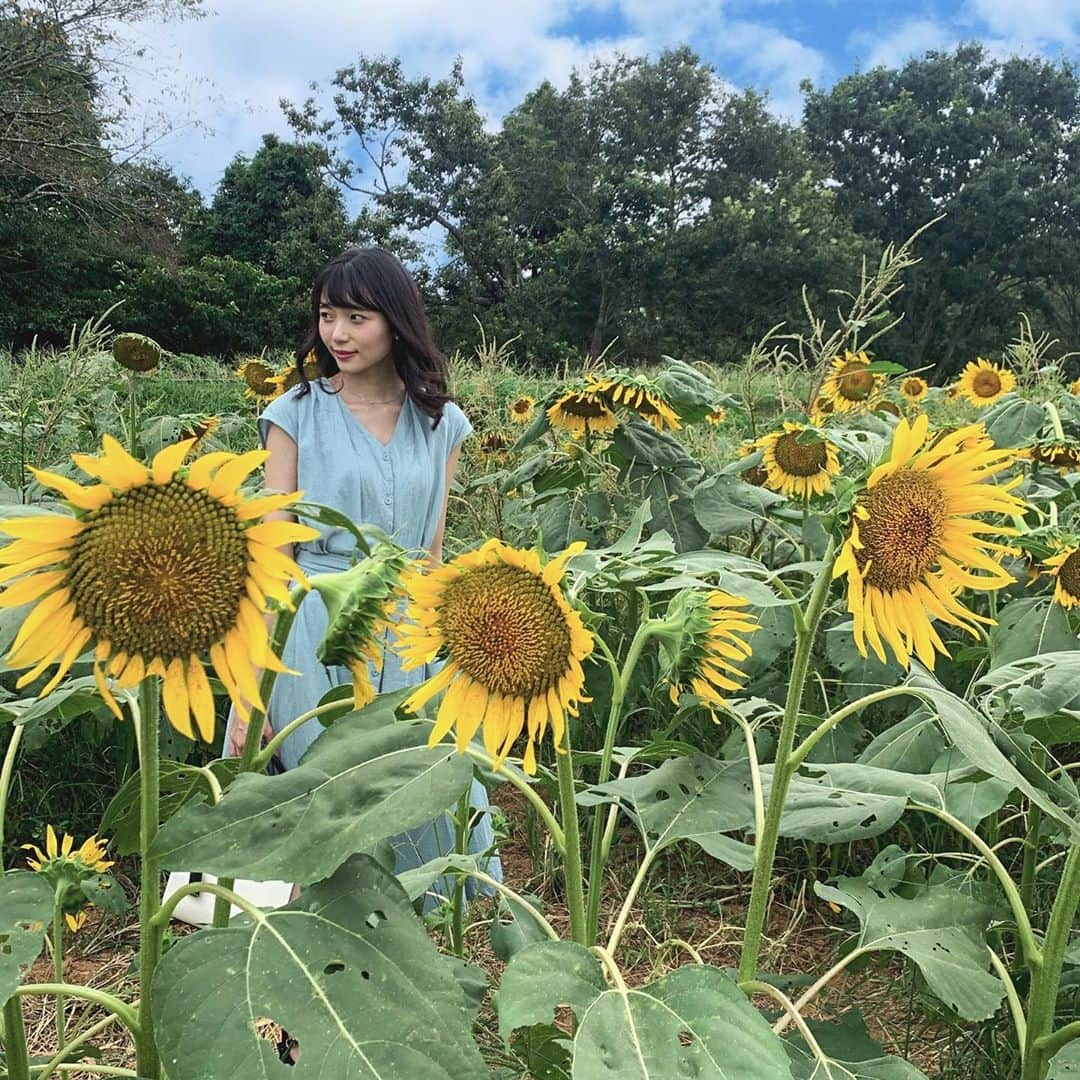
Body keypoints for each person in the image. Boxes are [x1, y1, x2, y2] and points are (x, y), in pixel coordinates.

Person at [223, 245, 502, 912]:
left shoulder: (441, 421)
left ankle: (400, 977)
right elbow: (272, 551)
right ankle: (307, 990)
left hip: (407, 634)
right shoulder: (296, 412)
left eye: (356, 317)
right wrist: (248, 687)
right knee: (324, 807)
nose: (338, 335)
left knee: (418, 799)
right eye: (327, 316)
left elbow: (431, 556)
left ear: (396, 321)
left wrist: (452, 668)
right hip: (311, 629)